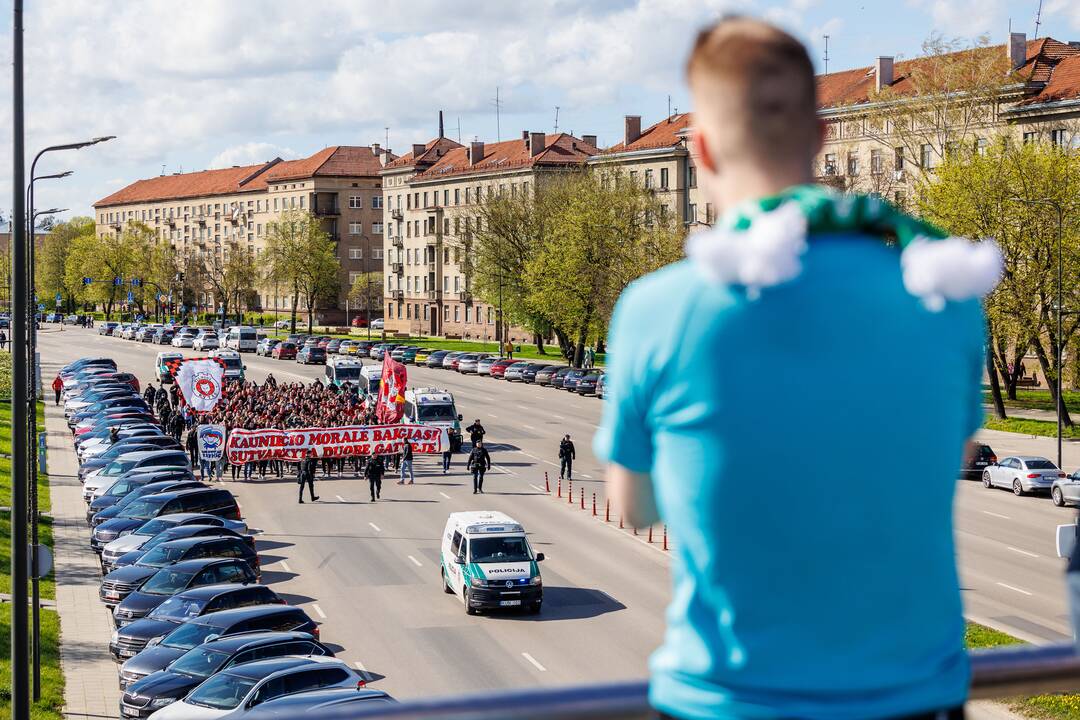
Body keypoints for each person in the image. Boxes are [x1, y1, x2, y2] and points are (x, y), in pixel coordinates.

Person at [595, 17, 996, 720]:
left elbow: (636, 507)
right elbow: (950, 459)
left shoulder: (658, 308)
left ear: (701, 150)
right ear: (820, 137)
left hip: (730, 699)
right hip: (912, 697)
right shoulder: (944, 291)